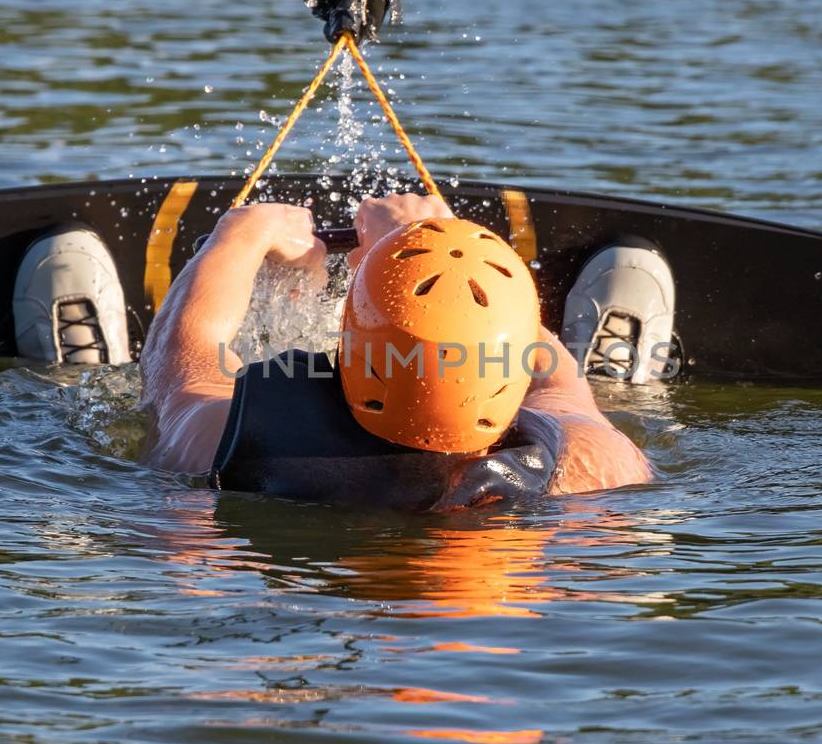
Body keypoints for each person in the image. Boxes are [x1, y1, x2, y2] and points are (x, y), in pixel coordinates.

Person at [133, 193, 655, 508]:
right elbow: (552, 372)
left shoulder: (224, 444)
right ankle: (617, 367)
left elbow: (181, 363)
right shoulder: (593, 462)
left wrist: (242, 236)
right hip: (502, 591)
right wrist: (447, 252)